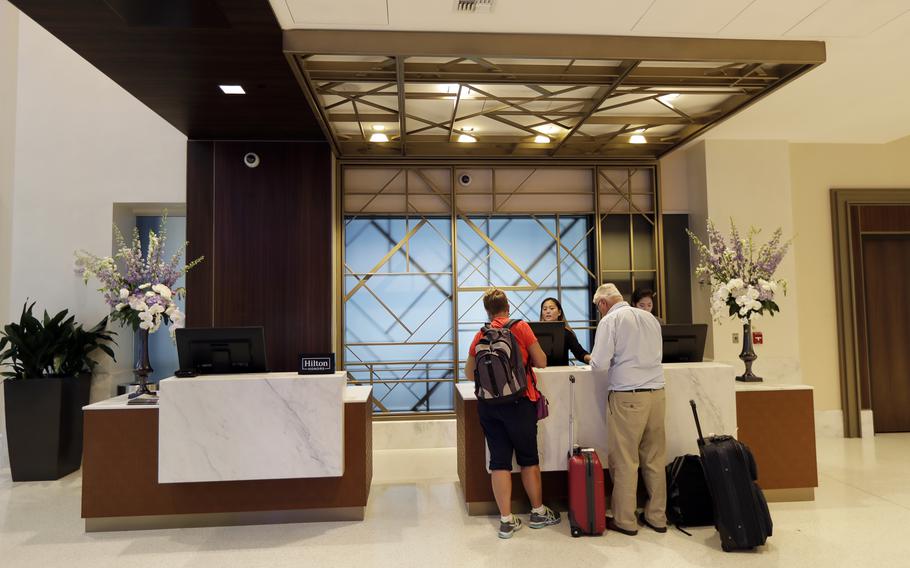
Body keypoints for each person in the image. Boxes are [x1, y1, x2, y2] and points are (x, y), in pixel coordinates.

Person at [465, 288, 561, 539]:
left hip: (489, 406)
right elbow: (541, 361)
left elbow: (468, 373)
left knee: (499, 461)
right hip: (520, 402)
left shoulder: (480, 334)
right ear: (507, 306)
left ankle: (506, 521)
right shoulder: (520, 327)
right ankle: (538, 512)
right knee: (528, 458)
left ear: (487, 310)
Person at [589, 283, 667, 536]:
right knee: (654, 459)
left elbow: (599, 364)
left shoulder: (610, 321)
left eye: (598, 308)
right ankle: (657, 517)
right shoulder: (650, 318)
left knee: (625, 460)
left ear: (603, 303)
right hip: (657, 394)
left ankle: (625, 520)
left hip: (628, 396)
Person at [539, 297, 591, 364]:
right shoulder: (534, 332)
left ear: (559, 312)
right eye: (544, 309)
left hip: (561, 372)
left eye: (551, 308)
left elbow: (579, 352)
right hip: (539, 372)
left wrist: (590, 358)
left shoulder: (566, 333)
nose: (548, 311)